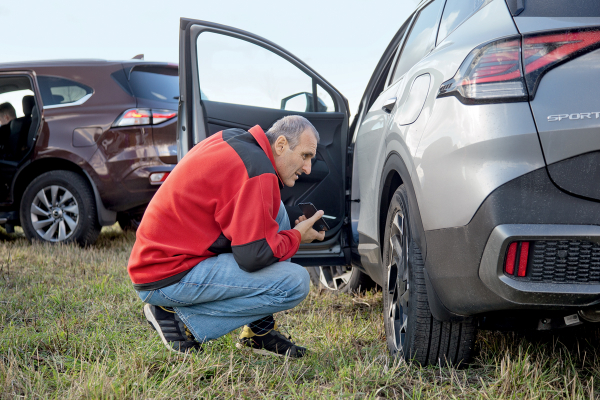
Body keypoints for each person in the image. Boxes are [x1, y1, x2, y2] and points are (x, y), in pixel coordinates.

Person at [127, 115, 325, 357]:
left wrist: (290, 233)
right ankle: (177, 320)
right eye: (305, 156)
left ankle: (258, 333)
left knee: (279, 213)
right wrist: (295, 237)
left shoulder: (237, 141)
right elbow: (253, 256)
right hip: (165, 276)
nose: (308, 168)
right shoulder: (258, 170)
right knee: (295, 283)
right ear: (281, 145)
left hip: (157, 259)